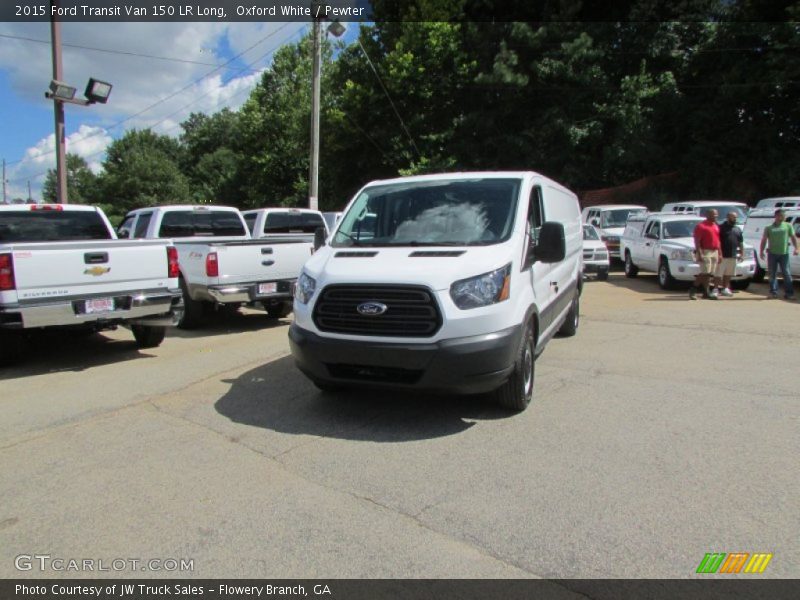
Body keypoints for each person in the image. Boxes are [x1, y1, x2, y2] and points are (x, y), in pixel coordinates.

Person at [759, 209, 799, 300]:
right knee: (772, 273)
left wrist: (796, 248)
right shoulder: (769, 227)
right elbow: (764, 240)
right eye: (781, 215)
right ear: (776, 216)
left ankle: (789, 293)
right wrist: (761, 251)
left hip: (784, 253)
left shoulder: (788, 226)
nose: (783, 217)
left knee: (787, 273)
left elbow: (793, 237)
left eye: (784, 216)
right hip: (772, 253)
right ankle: (774, 292)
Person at [690, 209, 721, 300]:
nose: (716, 216)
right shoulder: (701, 226)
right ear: (708, 215)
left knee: (709, 273)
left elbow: (718, 241)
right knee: (705, 272)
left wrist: (720, 253)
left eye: (716, 215)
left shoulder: (716, 226)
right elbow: (697, 241)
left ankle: (706, 292)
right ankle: (693, 289)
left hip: (714, 251)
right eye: (714, 215)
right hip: (705, 251)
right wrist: (700, 253)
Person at [713, 211, 744, 297]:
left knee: (728, 273)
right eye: (733, 217)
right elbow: (717, 242)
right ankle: (715, 289)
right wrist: (719, 253)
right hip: (722, 255)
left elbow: (740, 242)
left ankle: (725, 288)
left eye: (736, 217)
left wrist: (742, 253)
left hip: (733, 255)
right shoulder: (721, 228)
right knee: (718, 273)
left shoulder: (737, 229)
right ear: (728, 217)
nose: (735, 219)